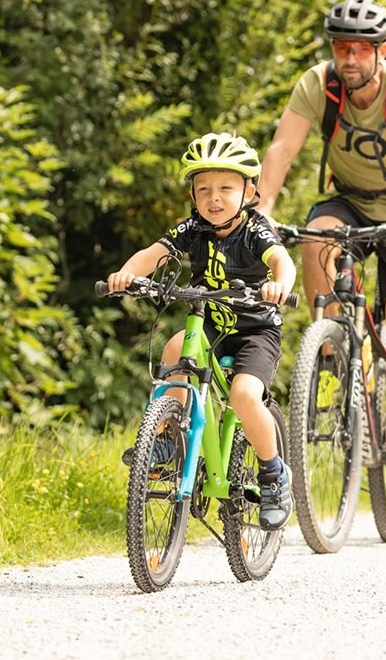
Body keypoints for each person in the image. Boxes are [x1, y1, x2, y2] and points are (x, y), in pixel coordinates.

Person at [256, 0, 386, 512]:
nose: (348, 58)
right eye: (341, 47)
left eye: (359, 50)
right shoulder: (318, 85)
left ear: (382, 51)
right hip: (348, 201)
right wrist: (264, 205)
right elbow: (282, 148)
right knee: (317, 236)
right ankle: (335, 355)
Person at [106, 132, 297, 529]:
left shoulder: (255, 230)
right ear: (193, 196)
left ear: (249, 191)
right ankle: (166, 439)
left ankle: (273, 472)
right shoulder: (193, 228)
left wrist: (280, 285)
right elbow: (153, 254)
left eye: (226, 188)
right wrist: (127, 275)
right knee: (176, 349)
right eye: (203, 188)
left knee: (245, 396)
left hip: (255, 330)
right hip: (210, 322)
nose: (214, 197)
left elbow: (282, 260)